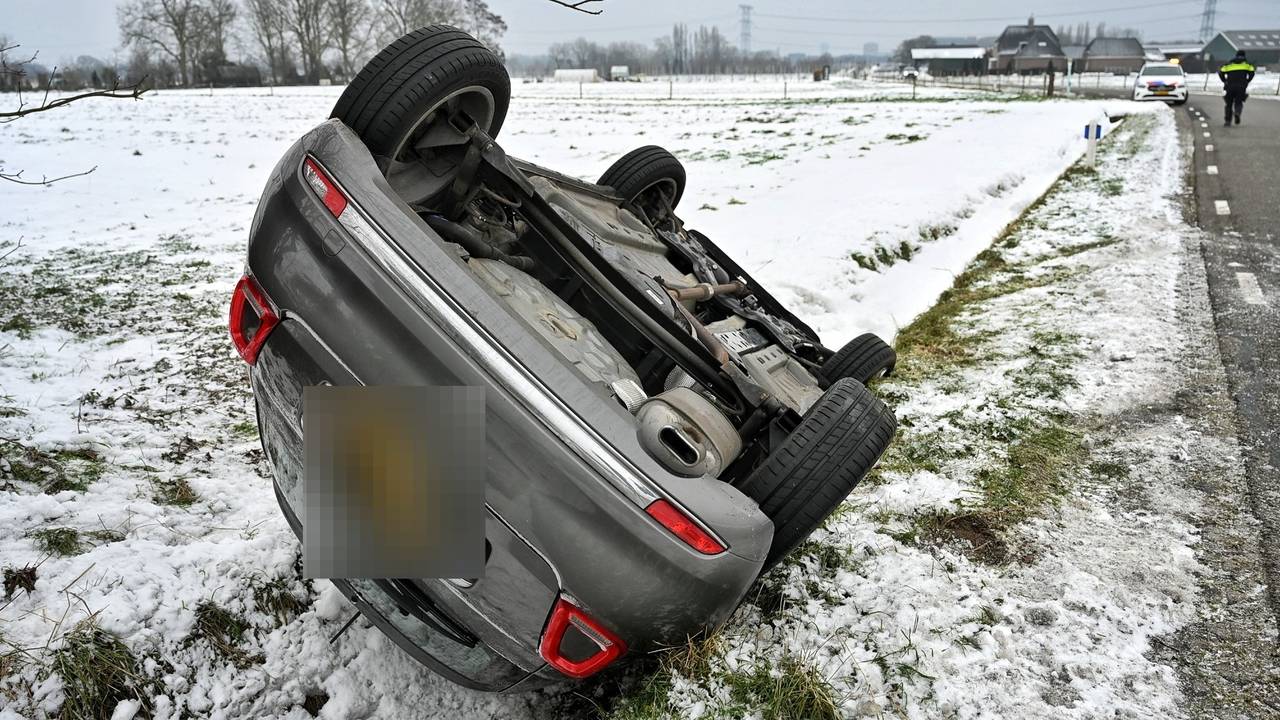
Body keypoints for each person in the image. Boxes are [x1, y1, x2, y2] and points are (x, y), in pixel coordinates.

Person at [1218, 50, 1256, 126]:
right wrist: (1247, 81)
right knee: (1238, 102)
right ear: (1244, 56)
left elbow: (1221, 72)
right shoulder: (1247, 64)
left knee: (1228, 104)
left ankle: (1227, 121)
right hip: (1241, 87)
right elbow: (1252, 73)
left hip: (1230, 86)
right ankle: (1237, 113)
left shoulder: (1229, 64)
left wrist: (1224, 81)